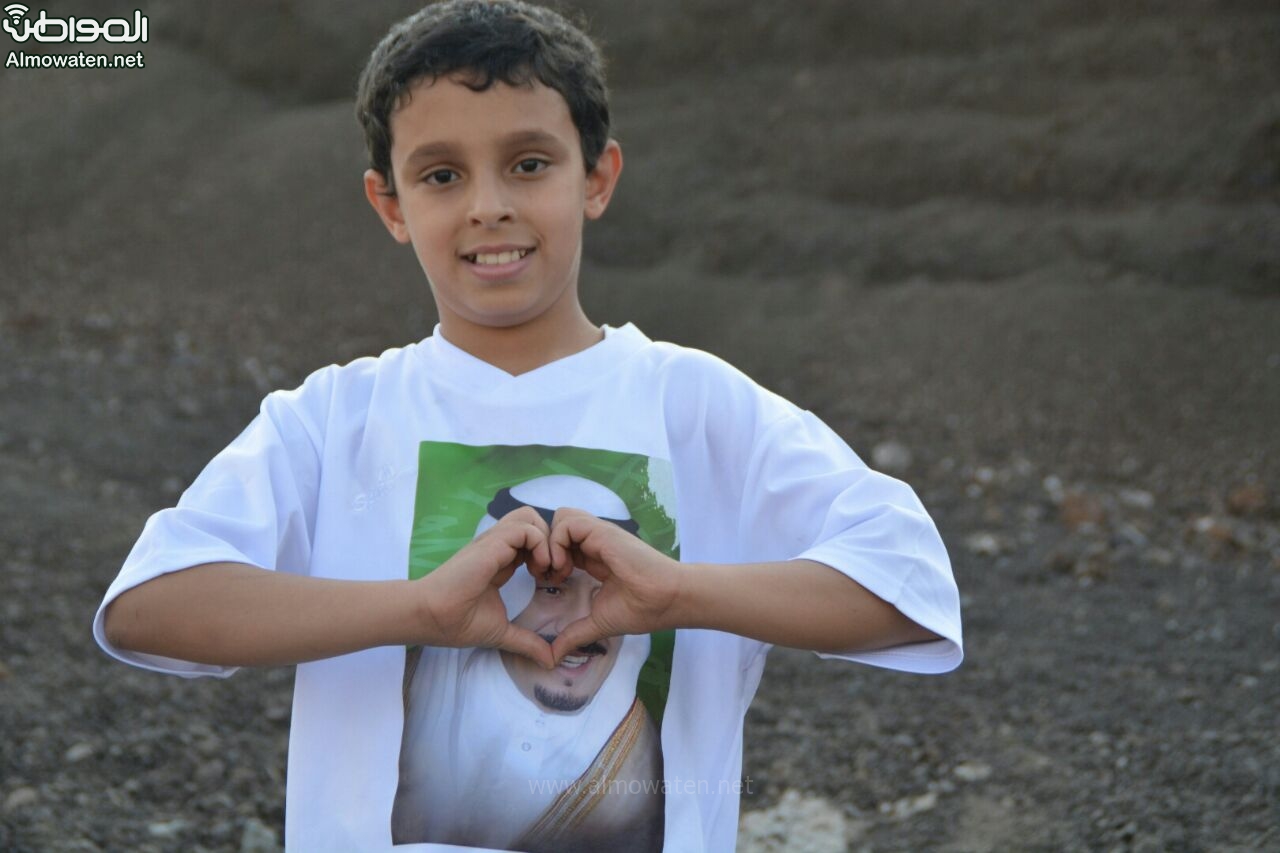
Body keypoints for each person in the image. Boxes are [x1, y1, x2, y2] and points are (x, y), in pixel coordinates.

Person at [94, 2, 964, 851]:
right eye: (441, 175)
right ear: (389, 204)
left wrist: (680, 593)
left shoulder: (700, 408)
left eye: (529, 163)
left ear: (597, 178)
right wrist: (419, 609)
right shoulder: (330, 421)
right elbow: (149, 606)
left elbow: (907, 584)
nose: (488, 206)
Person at [392, 476, 664, 849]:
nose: (581, 626)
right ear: (502, 594)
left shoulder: (638, 757)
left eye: (604, 594)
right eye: (551, 589)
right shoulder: (399, 694)